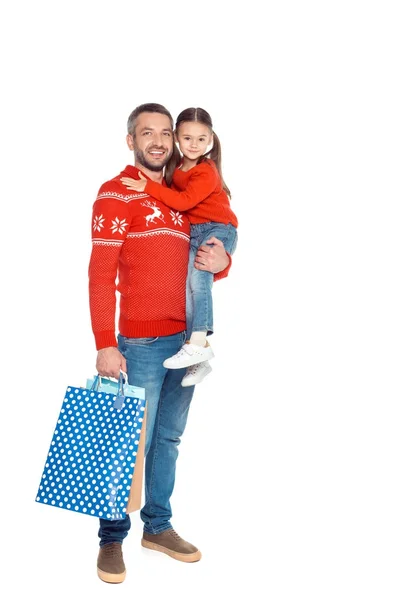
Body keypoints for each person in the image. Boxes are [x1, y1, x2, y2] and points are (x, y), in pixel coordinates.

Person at [88, 103, 232, 584]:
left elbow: (203, 254)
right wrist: (106, 342)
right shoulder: (116, 193)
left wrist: (221, 263)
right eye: (146, 133)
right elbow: (99, 272)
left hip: (185, 340)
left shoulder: (178, 195)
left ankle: (158, 525)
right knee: (129, 442)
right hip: (143, 341)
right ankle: (112, 537)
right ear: (131, 140)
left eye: (166, 133)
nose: (158, 141)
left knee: (167, 439)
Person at [120, 107, 238, 387]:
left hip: (217, 228)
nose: (194, 145)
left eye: (201, 139)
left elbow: (184, 203)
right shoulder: (176, 170)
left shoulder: (206, 170)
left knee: (198, 282)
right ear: (177, 138)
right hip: (196, 231)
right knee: (189, 287)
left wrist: (146, 188)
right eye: (187, 138)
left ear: (210, 140)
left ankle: (198, 342)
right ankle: (197, 357)